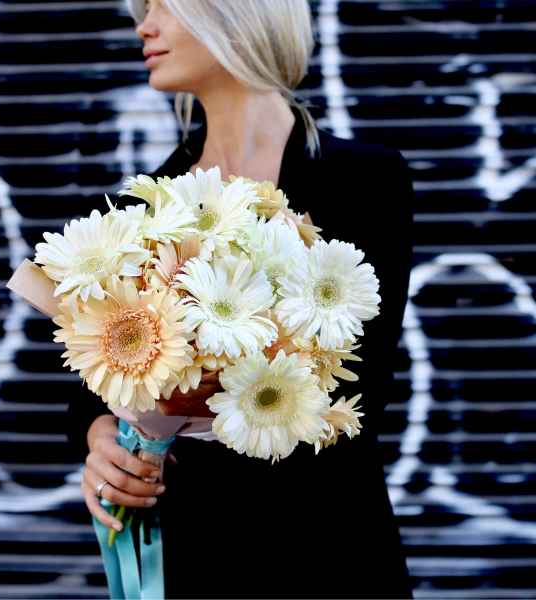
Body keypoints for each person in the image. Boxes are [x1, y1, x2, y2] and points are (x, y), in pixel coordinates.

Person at [66, 0, 416, 597]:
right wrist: (104, 439)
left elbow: (356, 394)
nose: (145, 26)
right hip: (195, 554)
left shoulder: (367, 181)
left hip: (329, 552)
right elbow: (94, 383)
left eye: (164, 6)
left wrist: (189, 397)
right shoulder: (142, 211)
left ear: (235, 13)